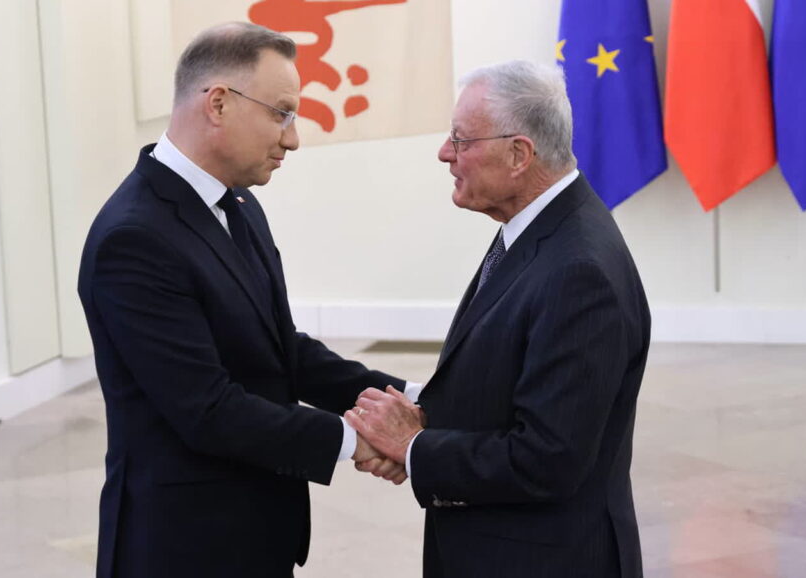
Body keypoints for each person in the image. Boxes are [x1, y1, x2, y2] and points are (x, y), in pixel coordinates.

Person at [77, 22, 406, 578]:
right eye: (281, 113)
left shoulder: (238, 205)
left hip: (255, 529)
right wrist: (362, 440)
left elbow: (283, 351)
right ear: (220, 104)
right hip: (183, 547)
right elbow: (208, 410)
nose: (294, 137)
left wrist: (409, 398)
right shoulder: (133, 238)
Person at [347, 60, 651, 578]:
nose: (446, 154)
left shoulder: (578, 271)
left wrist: (414, 447)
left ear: (518, 154)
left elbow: (548, 459)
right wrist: (422, 422)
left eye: (461, 141)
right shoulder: (535, 228)